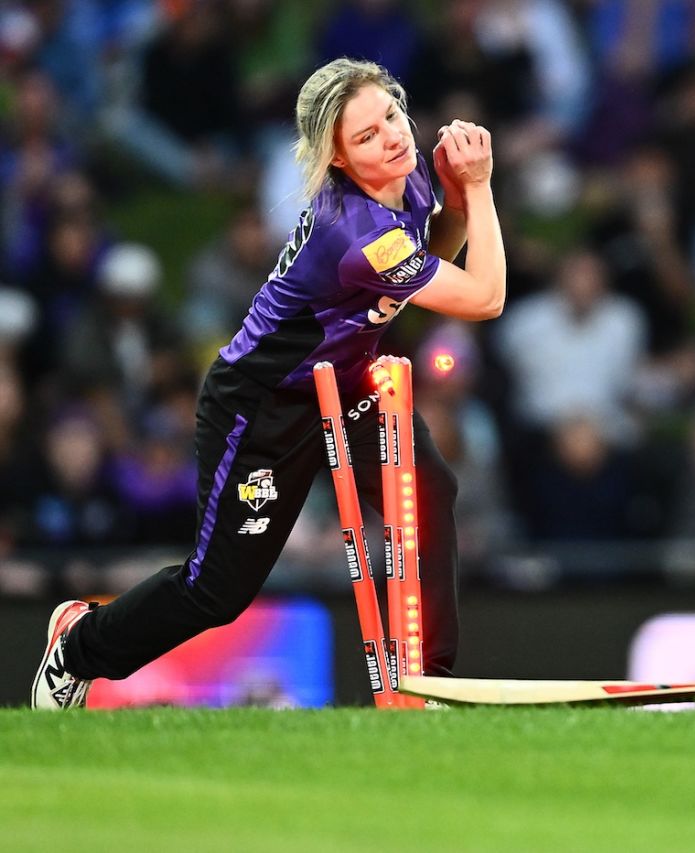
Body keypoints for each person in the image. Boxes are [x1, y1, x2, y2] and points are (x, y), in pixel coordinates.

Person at [31, 57, 507, 709]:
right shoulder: (356, 231)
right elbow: (483, 297)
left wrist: (451, 200)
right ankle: (79, 643)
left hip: (349, 385)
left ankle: (432, 686)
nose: (393, 136)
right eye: (366, 137)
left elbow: (430, 266)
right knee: (216, 592)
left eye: (391, 116)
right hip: (262, 406)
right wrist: (478, 188)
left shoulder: (408, 173)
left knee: (429, 495)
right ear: (338, 160)